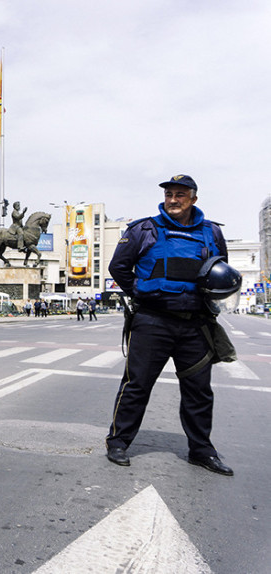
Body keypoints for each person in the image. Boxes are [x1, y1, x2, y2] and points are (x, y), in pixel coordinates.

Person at [105, 174, 234, 476]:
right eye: (169, 194)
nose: (173, 200)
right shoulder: (144, 230)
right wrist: (141, 292)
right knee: (137, 385)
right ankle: (118, 442)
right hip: (153, 322)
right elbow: (118, 267)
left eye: (180, 194)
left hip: (195, 325)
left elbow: (220, 269)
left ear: (193, 199)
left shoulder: (211, 232)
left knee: (199, 391)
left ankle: (201, 451)